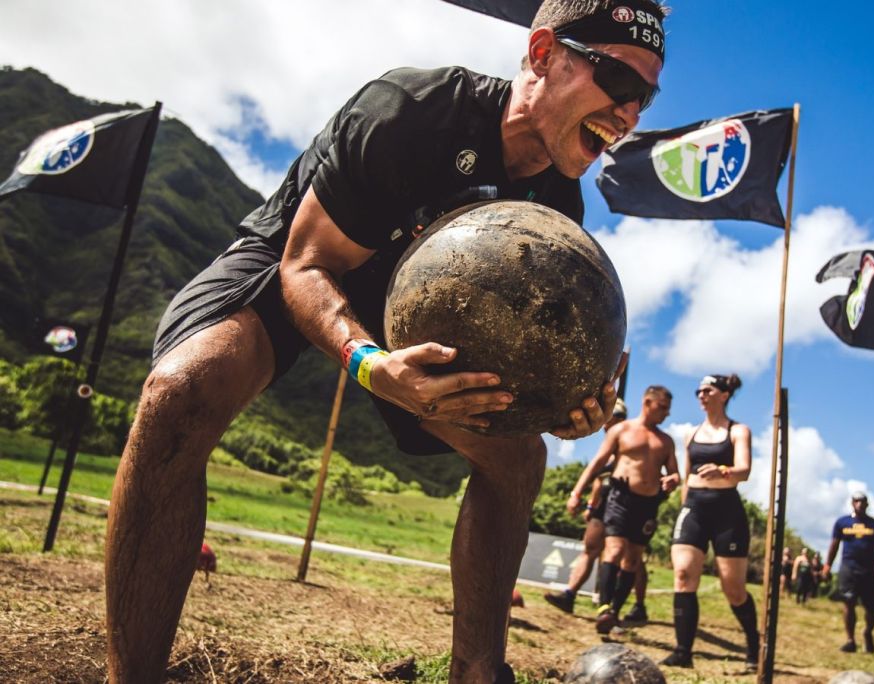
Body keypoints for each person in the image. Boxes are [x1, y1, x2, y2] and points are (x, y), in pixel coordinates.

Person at [102, 2, 668, 682]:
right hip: (309, 262)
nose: (631, 113)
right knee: (180, 390)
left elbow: (539, 371)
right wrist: (370, 363)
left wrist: (567, 408)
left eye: (647, 96)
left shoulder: (554, 208)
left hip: (431, 322)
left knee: (519, 458)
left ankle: (477, 672)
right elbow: (306, 266)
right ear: (544, 53)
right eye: (619, 82)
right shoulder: (414, 108)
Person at [661, 374, 759, 671]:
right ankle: (683, 651)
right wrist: (683, 507)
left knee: (734, 589)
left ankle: (754, 644)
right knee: (683, 575)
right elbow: (688, 477)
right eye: (698, 391)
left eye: (708, 390)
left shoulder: (738, 430)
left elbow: (744, 470)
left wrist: (724, 470)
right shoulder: (691, 434)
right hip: (694, 509)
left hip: (727, 512)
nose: (701, 395)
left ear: (724, 395)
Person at [566, 385, 679, 635]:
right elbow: (597, 463)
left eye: (668, 410)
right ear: (647, 402)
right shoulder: (622, 430)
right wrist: (576, 493)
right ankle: (604, 607)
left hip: (648, 503)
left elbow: (674, 474)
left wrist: (672, 481)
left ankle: (614, 611)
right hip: (620, 497)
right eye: (662, 407)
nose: (666, 414)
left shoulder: (666, 441)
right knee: (614, 550)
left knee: (633, 558)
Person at [544, 398, 628, 614]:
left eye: (612, 420)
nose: (607, 425)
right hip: (603, 505)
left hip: (627, 505)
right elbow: (599, 477)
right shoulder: (608, 448)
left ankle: (626, 605)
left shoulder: (632, 442)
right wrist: (589, 504)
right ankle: (569, 594)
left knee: (629, 557)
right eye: (607, 421)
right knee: (590, 548)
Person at [821, 491, 874, 654]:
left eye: (862, 501)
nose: (859, 504)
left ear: (867, 504)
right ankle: (850, 640)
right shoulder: (842, 523)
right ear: (852, 503)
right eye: (856, 501)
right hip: (849, 569)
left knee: (872, 609)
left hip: (869, 571)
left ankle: (868, 632)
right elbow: (834, 545)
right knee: (848, 603)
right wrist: (827, 565)